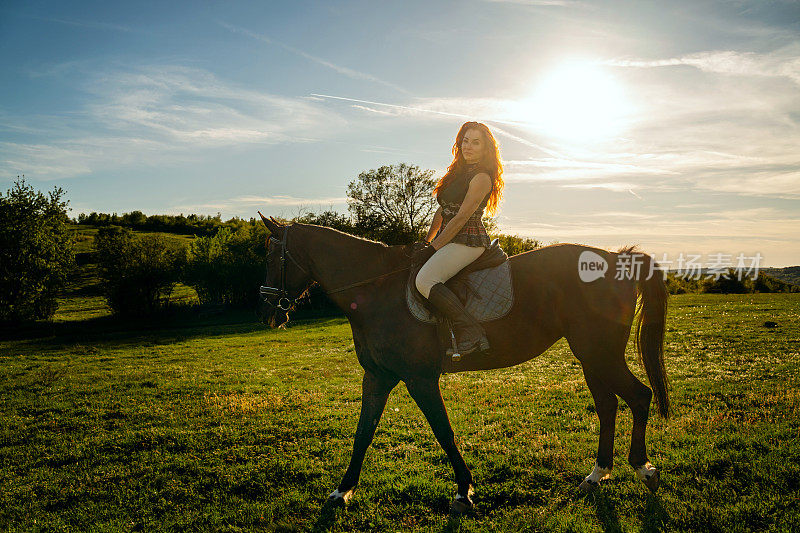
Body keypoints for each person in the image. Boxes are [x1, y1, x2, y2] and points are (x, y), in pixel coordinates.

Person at [412, 121, 505, 356]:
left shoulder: (482, 177)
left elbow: (462, 217)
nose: (469, 146)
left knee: (425, 280)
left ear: (486, 149)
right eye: (465, 140)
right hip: (449, 238)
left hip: (469, 241)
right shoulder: (457, 174)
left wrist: (433, 248)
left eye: (476, 142)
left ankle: (471, 331)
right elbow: (443, 211)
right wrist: (426, 240)